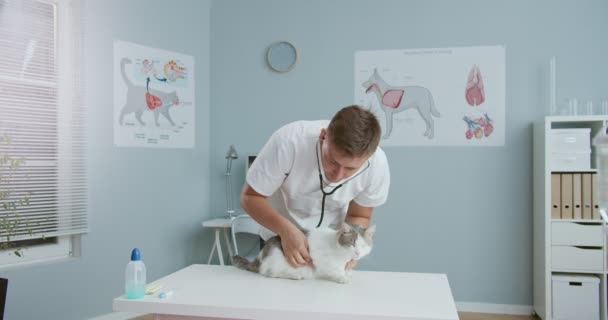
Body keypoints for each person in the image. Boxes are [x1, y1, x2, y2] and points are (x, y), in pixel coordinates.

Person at [240, 105, 390, 269]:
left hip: (331, 246)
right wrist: (285, 231)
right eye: (333, 161)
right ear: (323, 136)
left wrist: (351, 250)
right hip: (278, 237)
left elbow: (359, 215)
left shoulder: (377, 165)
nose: (338, 175)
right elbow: (250, 197)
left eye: (350, 169)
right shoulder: (288, 142)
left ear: (369, 157)